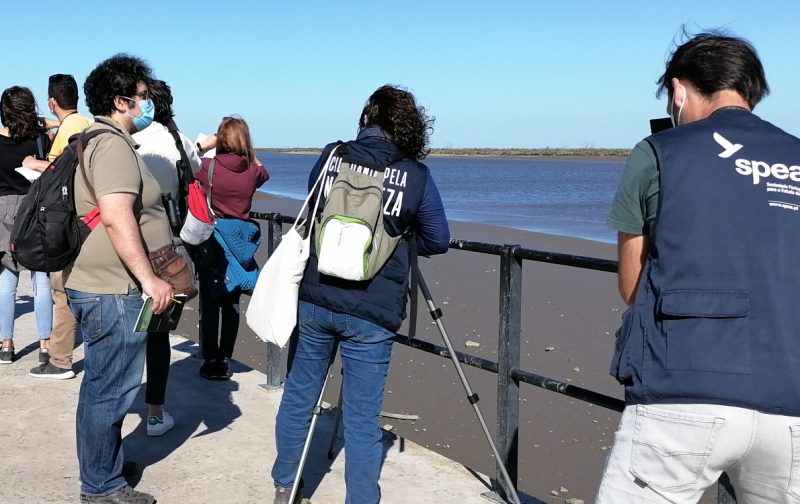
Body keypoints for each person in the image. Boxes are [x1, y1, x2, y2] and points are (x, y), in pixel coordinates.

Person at [597, 31, 800, 503]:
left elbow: (632, 284)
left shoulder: (660, 152)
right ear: (751, 91)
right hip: (792, 396)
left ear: (679, 90)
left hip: (682, 390)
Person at [271, 85, 450, 504]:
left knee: (299, 394)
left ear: (366, 118)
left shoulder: (333, 156)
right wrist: (396, 245)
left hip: (316, 297)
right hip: (373, 309)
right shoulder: (414, 173)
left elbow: (315, 210)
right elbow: (438, 239)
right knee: (363, 418)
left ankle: (284, 487)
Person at [64, 54, 173, 504]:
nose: (149, 105)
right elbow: (115, 216)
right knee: (109, 391)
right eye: (144, 98)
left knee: (102, 386)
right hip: (112, 288)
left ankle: (102, 467)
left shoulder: (95, 140)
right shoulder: (110, 145)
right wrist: (149, 279)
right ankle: (101, 487)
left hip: (97, 282)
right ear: (121, 101)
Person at [132, 78, 202, 436]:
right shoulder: (176, 138)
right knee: (158, 332)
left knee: (125, 327)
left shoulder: (128, 138)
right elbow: (197, 169)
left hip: (127, 243)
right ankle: (155, 411)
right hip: (171, 246)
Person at [25, 74, 92, 380]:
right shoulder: (84, 123)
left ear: (52, 101)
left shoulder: (70, 128)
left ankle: (60, 360)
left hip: (65, 221)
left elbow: (60, 170)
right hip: (85, 218)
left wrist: (32, 163)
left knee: (61, 290)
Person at [193, 116, 267, 381]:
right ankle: (225, 359)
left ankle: (210, 359)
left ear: (221, 139)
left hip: (215, 239)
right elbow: (263, 172)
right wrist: (249, 152)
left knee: (211, 301)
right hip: (242, 240)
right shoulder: (252, 171)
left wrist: (203, 145)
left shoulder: (208, 167)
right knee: (232, 303)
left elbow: (184, 162)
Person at [0, 86, 53, 365]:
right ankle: (46, 345)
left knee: (7, 281)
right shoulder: (40, 139)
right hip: (34, 208)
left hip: (2, 211)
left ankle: (6, 345)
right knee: (41, 280)